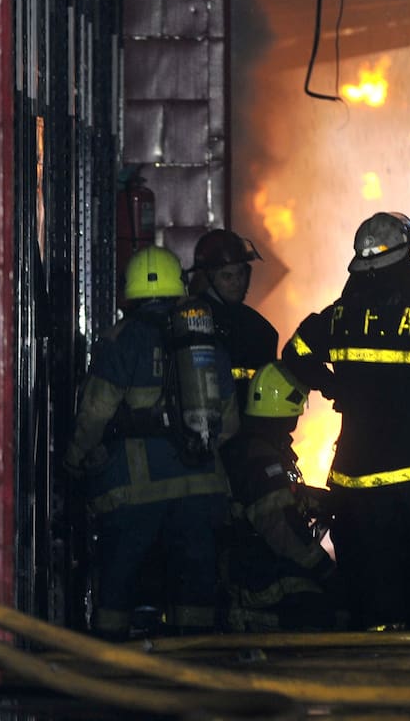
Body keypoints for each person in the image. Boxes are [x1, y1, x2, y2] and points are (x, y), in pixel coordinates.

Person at [281, 211, 410, 631]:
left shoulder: (338, 316)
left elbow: (294, 352)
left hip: (360, 466)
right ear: (404, 255)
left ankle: (378, 639)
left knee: (370, 563)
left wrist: (333, 386)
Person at [64, 245, 239, 640]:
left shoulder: (121, 341)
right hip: (202, 487)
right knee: (194, 590)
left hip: (133, 489)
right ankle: (193, 662)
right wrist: (194, 445)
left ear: (130, 290)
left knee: (118, 583)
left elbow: (94, 413)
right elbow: (229, 423)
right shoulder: (205, 341)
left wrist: (74, 460)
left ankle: (108, 663)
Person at [218, 361, 342, 632]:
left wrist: (321, 500)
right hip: (257, 577)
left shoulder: (255, 447)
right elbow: (281, 529)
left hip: (255, 564)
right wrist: (326, 572)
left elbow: (282, 496)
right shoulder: (262, 459)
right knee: (332, 612)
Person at [186, 229, 280, 409]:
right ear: (208, 278)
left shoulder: (260, 329)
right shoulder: (191, 320)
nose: (237, 282)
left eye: (241, 274)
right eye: (227, 276)